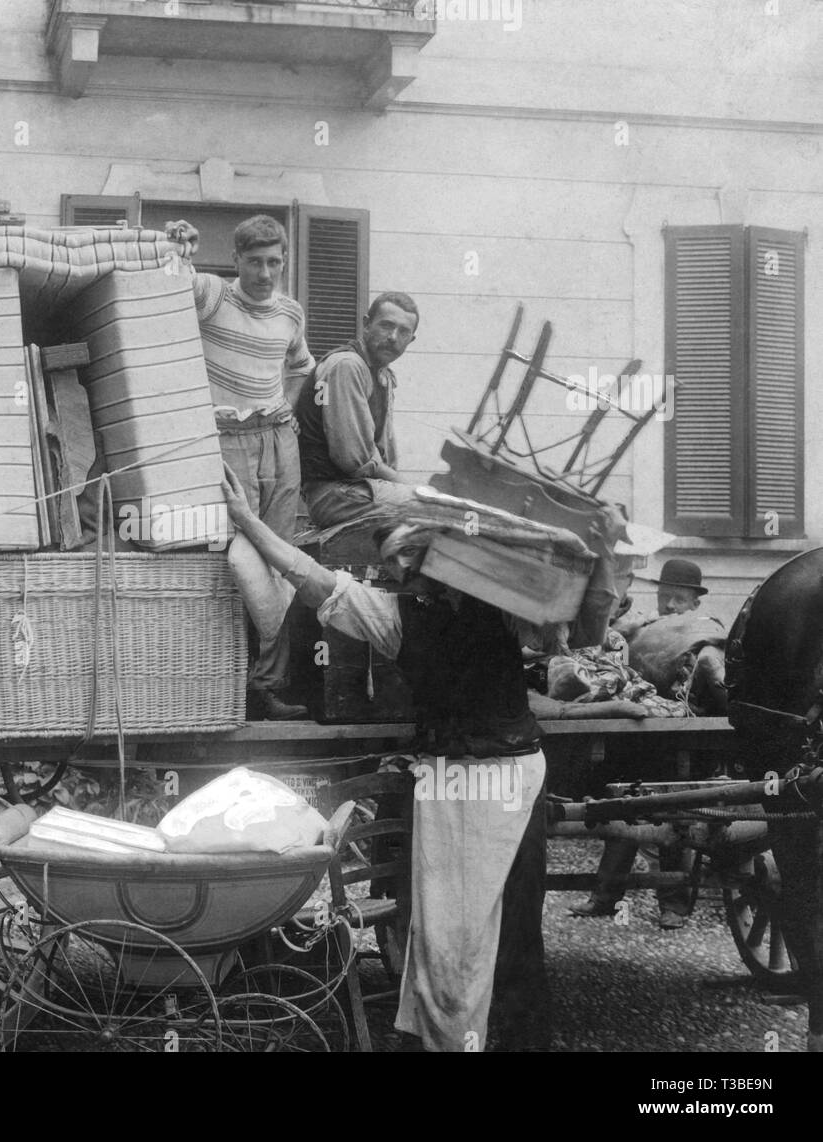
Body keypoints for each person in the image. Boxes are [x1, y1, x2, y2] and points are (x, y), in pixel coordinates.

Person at [220, 466, 550, 1051]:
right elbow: (308, 574)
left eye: (405, 569)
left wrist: (246, 520)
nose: (401, 580)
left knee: (457, 928)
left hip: (476, 779)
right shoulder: (496, 611)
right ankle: (490, 1036)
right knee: (500, 923)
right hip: (509, 769)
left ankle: (459, 1039)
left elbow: (305, 573)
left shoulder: (416, 616)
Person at [166, 214, 316, 719]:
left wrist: (288, 408)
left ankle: (266, 688)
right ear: (235, 260)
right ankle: (218, 682)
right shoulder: (213, 295)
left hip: (279, 442)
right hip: (223, 442)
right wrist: (179, 246)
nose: (266, 272)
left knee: (280, 561)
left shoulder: (291, 313)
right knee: (232, 561)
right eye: (255, 261)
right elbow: (168, 284)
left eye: (275, 262)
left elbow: (300, 366)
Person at [569, 558, 716, 929]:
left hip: (679, 739)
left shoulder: (706, 631)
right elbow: (608, 657)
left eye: (679, 600)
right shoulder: (640, 625)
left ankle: (673, 905)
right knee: (623, 808)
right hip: (634, 733)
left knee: (674, 816)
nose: (670, 606)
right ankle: (605, 896)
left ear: (695, 604)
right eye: (665, 597)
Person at [294, 292, 419, 529]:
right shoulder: (348, 366)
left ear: (411, 340)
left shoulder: (382, 375)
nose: (393, 337)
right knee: (437, 509)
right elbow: (353, 460)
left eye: (403, 331)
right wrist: (412, 489)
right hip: (335, 494)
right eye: (386, 325)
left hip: (358, 491)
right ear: (366, 325)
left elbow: (384, 455)